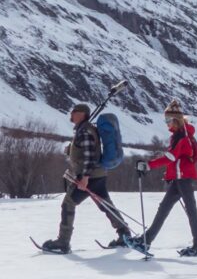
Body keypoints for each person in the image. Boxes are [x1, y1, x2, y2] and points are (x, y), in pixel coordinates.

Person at [41, 102, 132, 253]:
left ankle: (63, 241)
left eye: (74, 111)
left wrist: (85, 177)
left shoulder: (85, 131)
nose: (71, 114)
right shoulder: (86, 129)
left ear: (82, 114)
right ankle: (124, 234)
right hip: (98, 174)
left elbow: (90, 156)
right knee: (106, 205)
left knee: (68, 204)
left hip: (89, 177)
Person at [132, 100, 197, 256]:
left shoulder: (182, 137)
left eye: (168, 120)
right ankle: (146, 241)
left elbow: (170, 157)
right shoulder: (178, 135)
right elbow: (175, 160)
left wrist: (148, 165)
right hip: (179, 178)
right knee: (164, 209)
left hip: (183, 179)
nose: (166, 124)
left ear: (176, 119)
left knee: (191, 211)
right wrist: (169, 174)